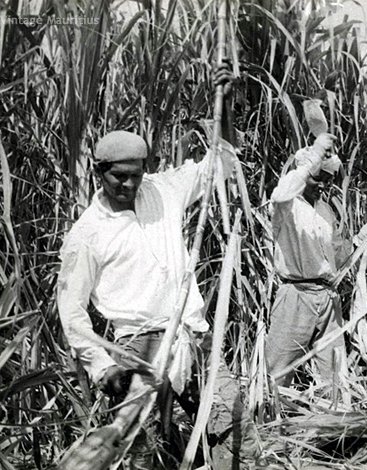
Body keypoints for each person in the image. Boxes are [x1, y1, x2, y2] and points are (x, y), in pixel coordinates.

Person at [56, 68, 252, 469]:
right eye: (119, 177)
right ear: (99, 171)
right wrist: (103, 367)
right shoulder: (87, 235)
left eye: (136, 175)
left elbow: (221, 165)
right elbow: (72, 312)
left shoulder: (163, 190)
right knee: (140, 452)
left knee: (233, 429)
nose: (128, 185)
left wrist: (225, 106)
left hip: (191, 336)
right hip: (137, 348)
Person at [266, 133, 367, 387]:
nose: (322, 186)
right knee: (277, 373)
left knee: (334, 373)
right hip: (296, 297)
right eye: (317, 178)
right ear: (305, 170)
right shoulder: (287, 206)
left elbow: (341, 255)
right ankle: (270, 423)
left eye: (328, 181)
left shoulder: (324, 211)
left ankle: (332, 420)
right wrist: (317, 153)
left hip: (327, 298)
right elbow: (280, 193)